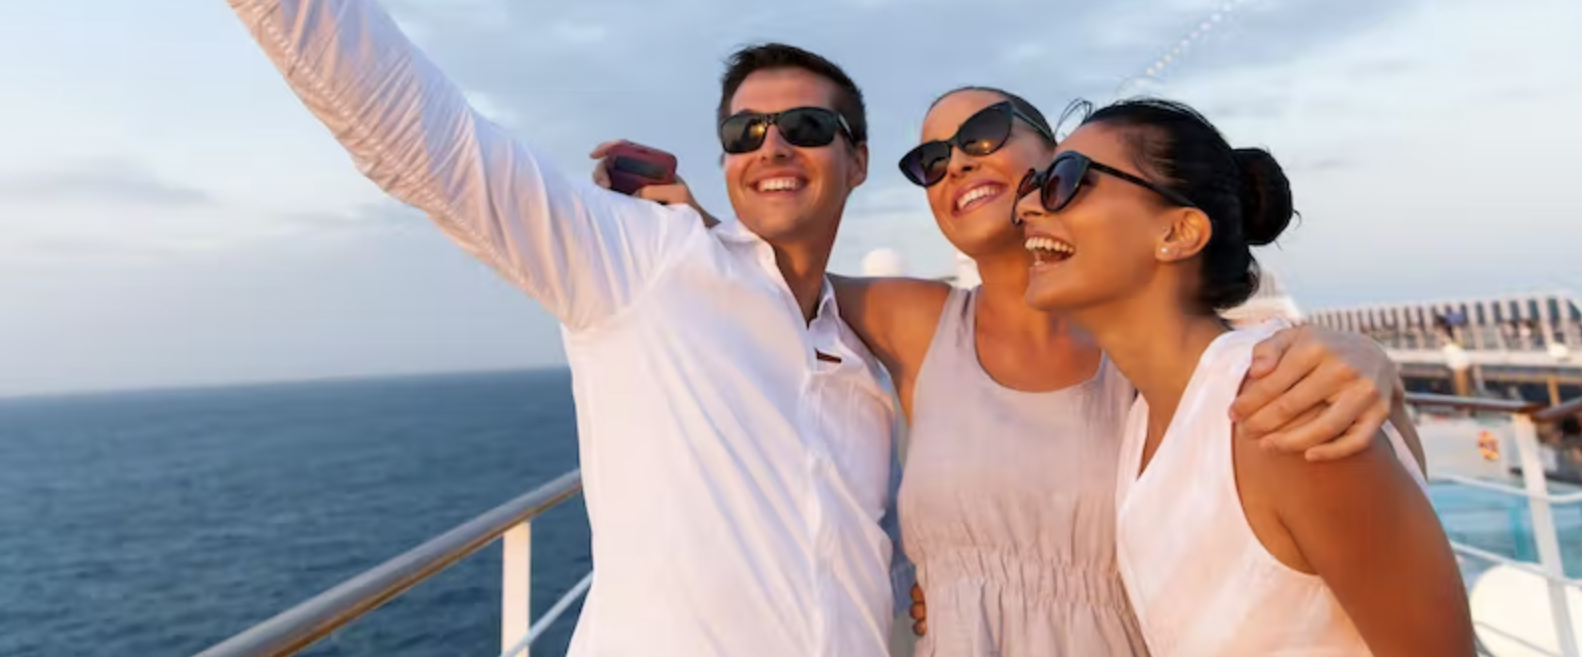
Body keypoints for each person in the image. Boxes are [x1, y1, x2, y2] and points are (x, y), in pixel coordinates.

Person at [131, 0, 899, 657]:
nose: (773, 147)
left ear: (858, 160)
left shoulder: (870, 357)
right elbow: (428, 139)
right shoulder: (645, 264)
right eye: (744, 131)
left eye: (807, 128)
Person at [597, 87, 1417, 656]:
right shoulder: (921, 323)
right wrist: (694, 219)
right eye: (930, 159)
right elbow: (773, 281)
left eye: (985, 134)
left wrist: (1368, 359)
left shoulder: (1160, 351)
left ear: (1054, 162)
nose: (956, 162)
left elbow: (1233, 372)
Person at [1015, 98, 1473, 656]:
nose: (1028, 206)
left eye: (1065, 180)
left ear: (1179, 232)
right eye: (1034, 184)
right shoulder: (1148, 419)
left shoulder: (1282, 409)